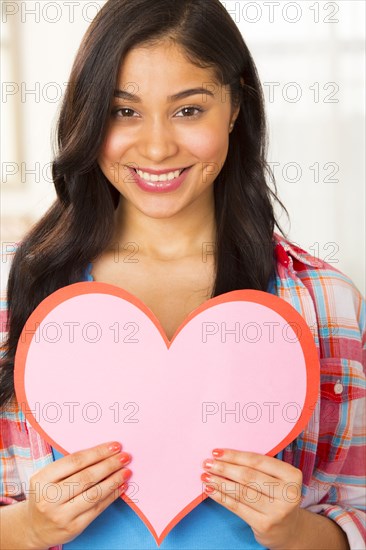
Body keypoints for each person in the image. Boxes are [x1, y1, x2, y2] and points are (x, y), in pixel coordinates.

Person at [0, 0, 365, 549]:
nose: (156, 147)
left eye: (188, 110)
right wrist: (27, 529)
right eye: (124, 111)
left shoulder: (325, 301)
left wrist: (295, 532)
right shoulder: (16, 289)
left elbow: (356, 508)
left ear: (235, 105)